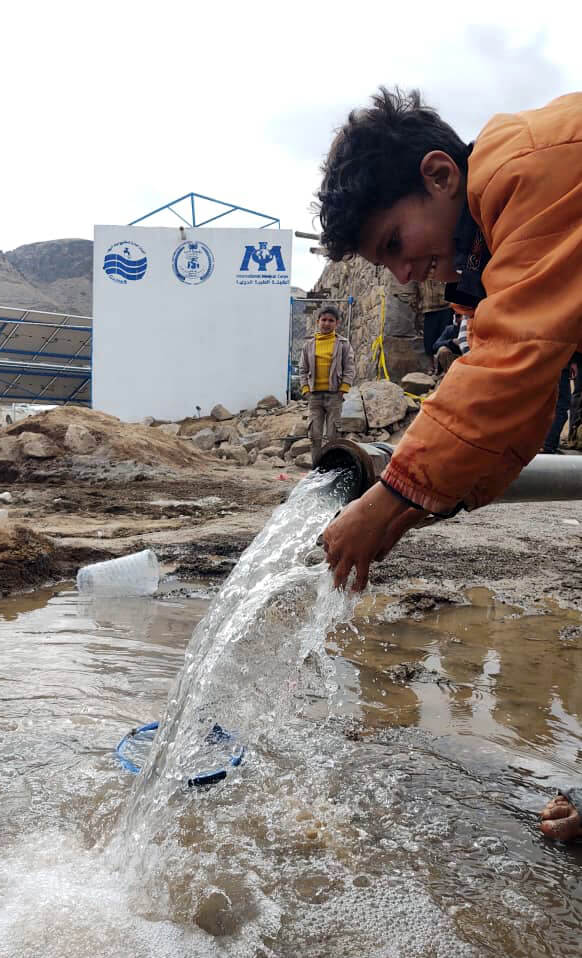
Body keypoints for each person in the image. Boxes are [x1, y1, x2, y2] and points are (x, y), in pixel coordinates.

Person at [315, 88, 582, 840]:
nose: (402, 276)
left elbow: (509, 369)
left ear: (440, 175)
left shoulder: (529, 171)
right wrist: (416, 505)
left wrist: (390, 497)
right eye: (383, 263)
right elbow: (520, 415)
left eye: (395, 244)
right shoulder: (495, 256)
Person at [299, 306, 355, 466]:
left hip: (334, 396)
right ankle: (316, 470)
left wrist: (343, 390)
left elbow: (350, 368)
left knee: (333, 436)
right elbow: (303, 369)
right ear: (318, 322)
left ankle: (332, 469)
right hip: (315, 397)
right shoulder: (309, 345)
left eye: (331, 320)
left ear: (337, 323)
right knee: (315, 435)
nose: (326, 323)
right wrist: (306, 390)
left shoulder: (343, 344)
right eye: (324, 320)